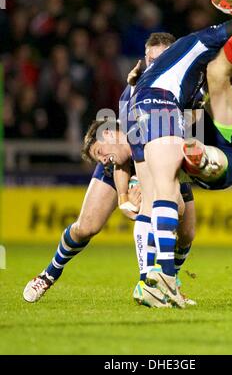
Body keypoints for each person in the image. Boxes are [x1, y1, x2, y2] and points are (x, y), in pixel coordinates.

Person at [87, 0, 232, 308]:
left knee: (218, 74)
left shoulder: (196, 55)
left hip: (227, 143)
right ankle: (157, 280)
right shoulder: (153, 83)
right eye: (151, 58)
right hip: (179, 126)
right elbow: (129, 147)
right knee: (166, 192)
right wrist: (128, 190)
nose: (155, 61)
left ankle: (162, 276)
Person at [23, 34, 196, 308]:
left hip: (164, 157)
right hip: (137, 164)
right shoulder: (135, 94)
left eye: (162, 58)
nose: (156, 64)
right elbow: (119, 161)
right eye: (152, 59)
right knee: (86, 226)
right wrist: (125, 198)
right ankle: (49, 274)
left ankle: (170, 283)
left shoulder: (186, 85)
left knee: (186, 230)